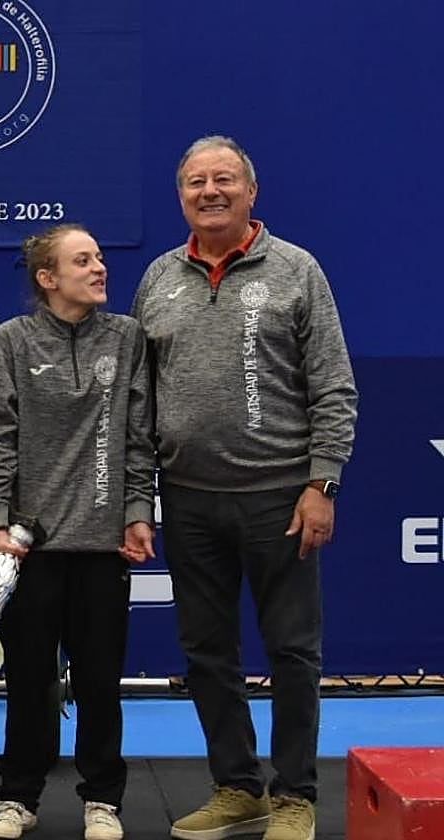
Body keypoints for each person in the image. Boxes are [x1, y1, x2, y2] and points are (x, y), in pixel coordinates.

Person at [132, 136, 357, 840]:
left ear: (251, 192)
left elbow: (334, 386)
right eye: (196, 182)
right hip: (190, 497)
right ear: (182, 197)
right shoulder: (158, 279)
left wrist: (322, 482)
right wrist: (143, 495)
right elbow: (138, 402)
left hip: (279, 497)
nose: (210, 192)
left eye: (224, 179)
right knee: (207, 652)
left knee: (292, 651)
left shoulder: (297, 271)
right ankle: (238, 788)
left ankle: (293, 797)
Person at [0, 225, 154, 840]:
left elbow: (137, 434)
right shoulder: (12, 341)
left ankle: (102, 798)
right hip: (29, 544)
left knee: (101, 679)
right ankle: (17, 797)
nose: (100, 267)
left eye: (101, 256)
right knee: (27, 679)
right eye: (83, 261)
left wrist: (137, 509)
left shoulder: (127, 337)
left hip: (103, 544)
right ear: (47, 279)